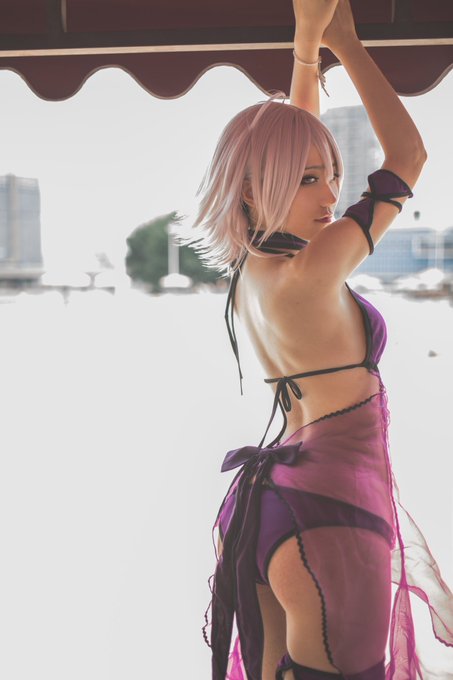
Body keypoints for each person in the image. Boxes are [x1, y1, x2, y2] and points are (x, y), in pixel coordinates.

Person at [188, 1, 453, 678]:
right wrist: (350, 45)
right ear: (256, 189)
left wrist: (307, 50)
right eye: (310, 179)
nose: (330, 194)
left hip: (264, 506)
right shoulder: (314, 268)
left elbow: (289, 150)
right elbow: (409, 157)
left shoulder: (253, 269)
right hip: (332, 507)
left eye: (332, 173)